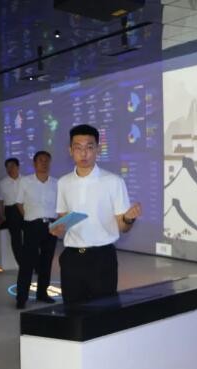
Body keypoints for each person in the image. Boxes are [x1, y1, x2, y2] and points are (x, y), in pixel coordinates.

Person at [51, 124, 142, 304]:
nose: (84, 153)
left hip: (102, 258)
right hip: (72, 258)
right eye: (78, 148)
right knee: (72, 311)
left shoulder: (113, 181)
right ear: (70, 151)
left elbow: (123, 227)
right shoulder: (63, 183)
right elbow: (62, 218)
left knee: (104, 311)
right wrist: (57, 228)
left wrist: (128, 219)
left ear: (98, 150)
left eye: (89, 147)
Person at [14, 151, 58, 309]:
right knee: (27, 262)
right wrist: (30, 218)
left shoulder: (56, 183)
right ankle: (22, 297)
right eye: (41, 160)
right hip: (32, 225)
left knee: (47, 261)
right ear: (34, 163)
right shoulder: (25, 181)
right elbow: (19, 203)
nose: (44, 163)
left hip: (51, 226)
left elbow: (60, 205)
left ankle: (42, 293)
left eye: (47, 160)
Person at [0, 158, 24, 266]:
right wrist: (1, 215)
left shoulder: (26, 180)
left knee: (30, 238)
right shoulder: (2, 183)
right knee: (16, 239)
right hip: (11, 211)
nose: (9, 169)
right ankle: (22, 264)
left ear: (18, 167)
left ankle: (34, 264)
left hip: (26, 210)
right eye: (7, 167)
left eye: (12, 166)